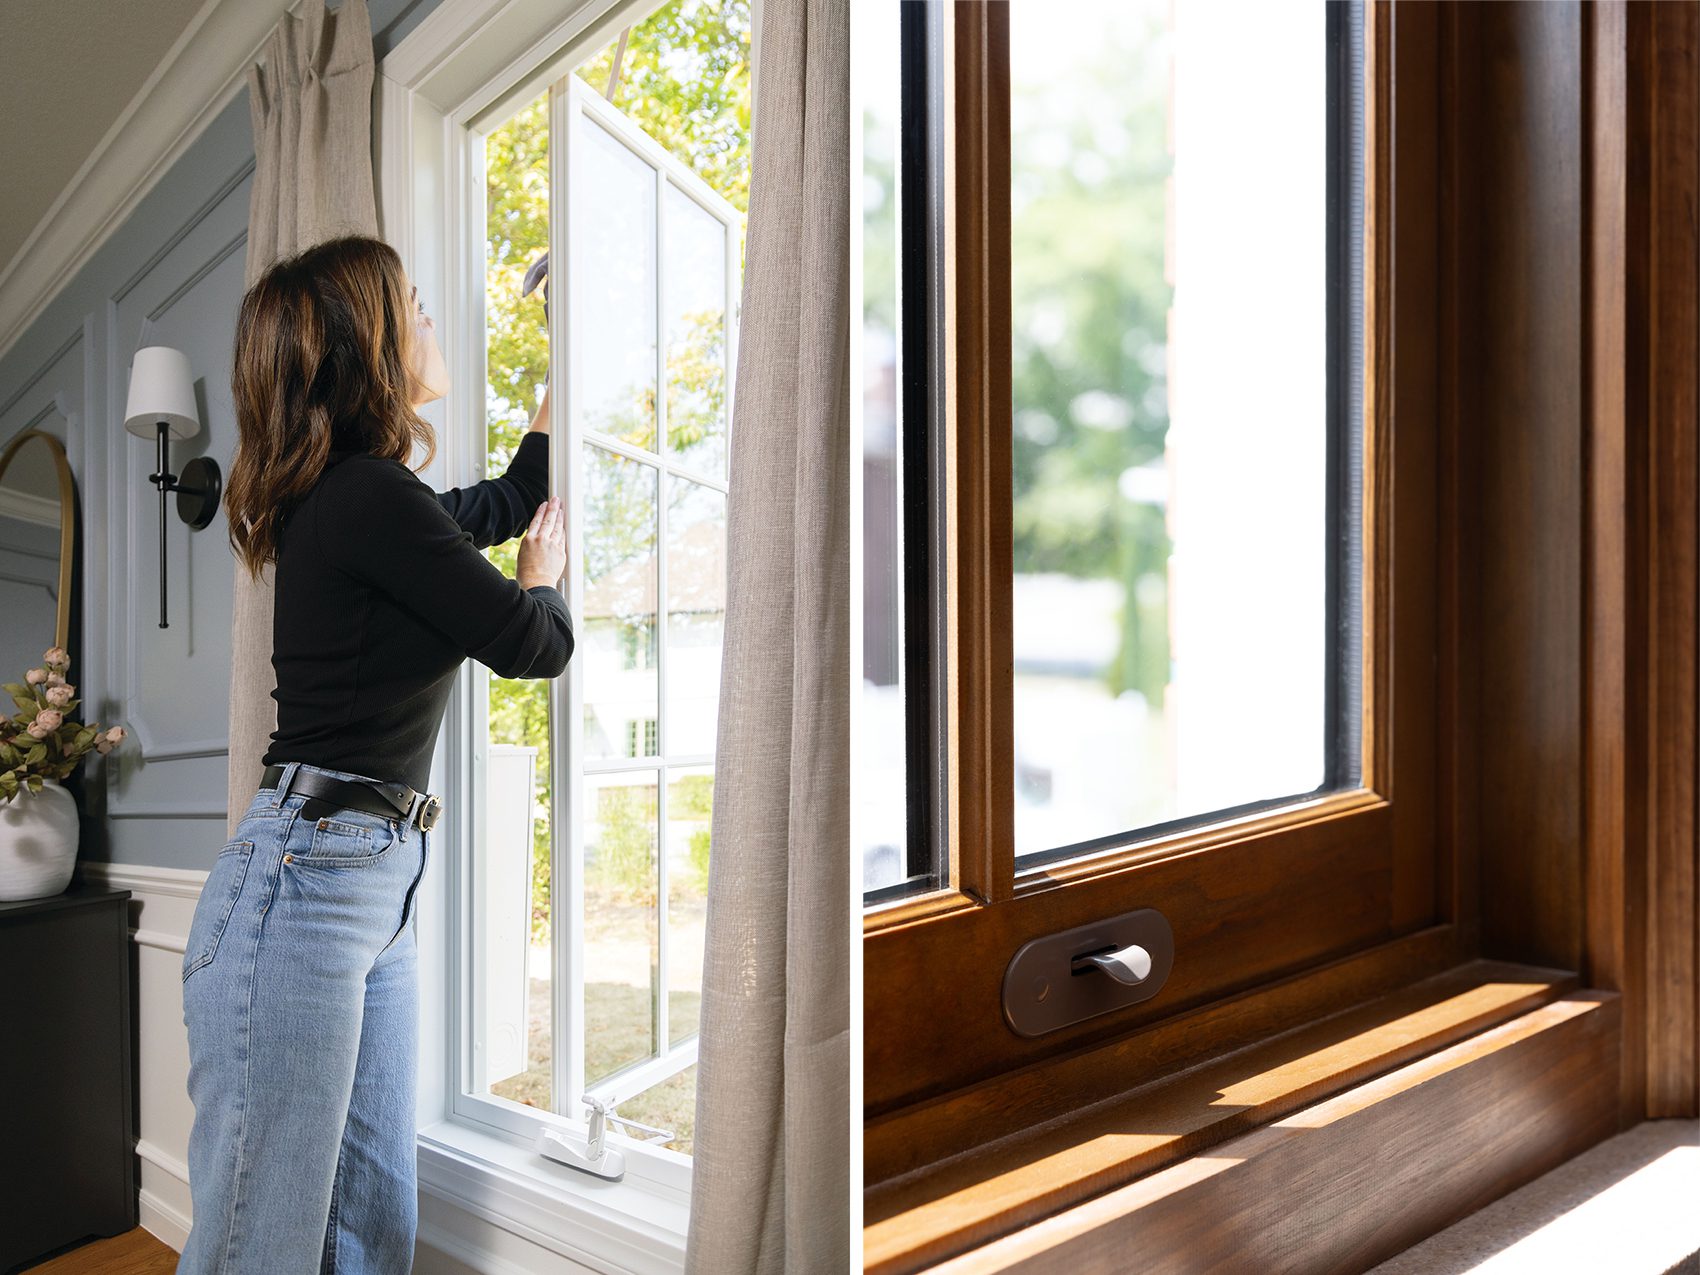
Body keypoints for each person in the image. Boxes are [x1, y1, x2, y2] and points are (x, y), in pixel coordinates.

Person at [176, 233, 571, 1273]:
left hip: (358, 874)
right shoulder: (366, 498)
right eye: (417, 307)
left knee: (366, 1219)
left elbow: (505, 495)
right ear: (371, 344)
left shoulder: (363, 503)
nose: (432, 322)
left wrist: (561, 360)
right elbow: (535, 645)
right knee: (257, 1239)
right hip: (305, 880)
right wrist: (541, 578)